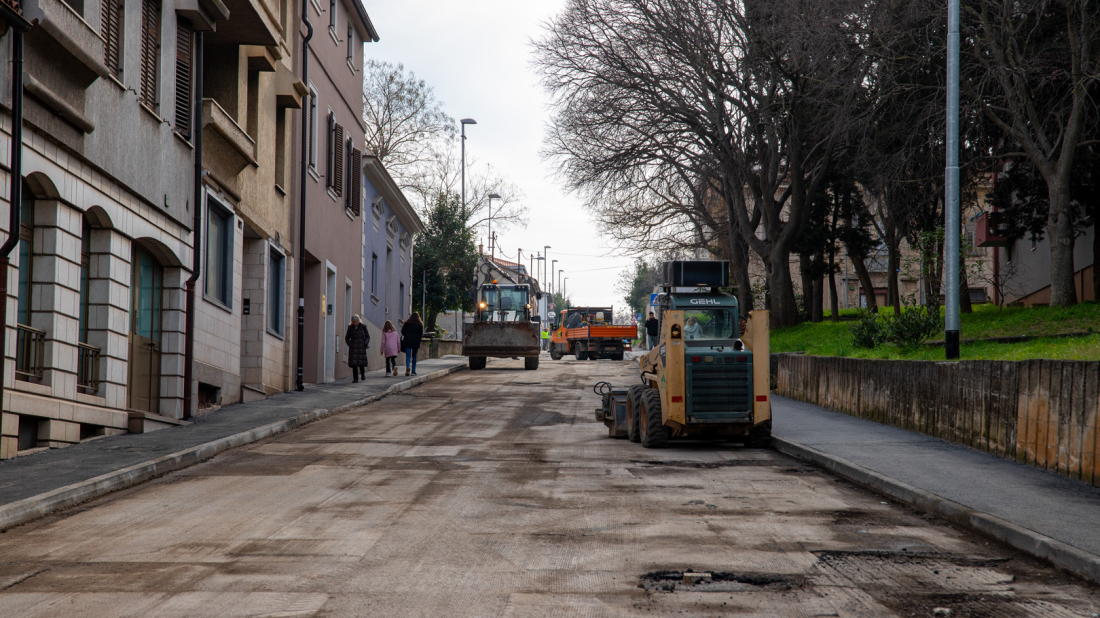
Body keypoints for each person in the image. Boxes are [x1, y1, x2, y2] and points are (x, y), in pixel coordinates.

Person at [345, 315, 370, 383]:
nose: (355, 323)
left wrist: (365, 343)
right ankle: (355, 378)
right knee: (354, 364)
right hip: (354, 347)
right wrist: (350, 344)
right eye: (354, 322)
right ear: (352, 322)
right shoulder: (350, 328)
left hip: (361, 347)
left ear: (359, 321)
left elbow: (367, 336)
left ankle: (362, 374)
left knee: (361, 363)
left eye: (356, 321)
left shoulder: (363, 327)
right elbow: (347, 337)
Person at [401, 312, 424, 376]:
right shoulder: (420, 324)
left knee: (408, 356)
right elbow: (421, 334)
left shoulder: (407, 323)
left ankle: (408, 366)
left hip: (407, 341)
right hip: (415, 342)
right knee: (414, 356)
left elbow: (403, 332)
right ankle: (413, 371)